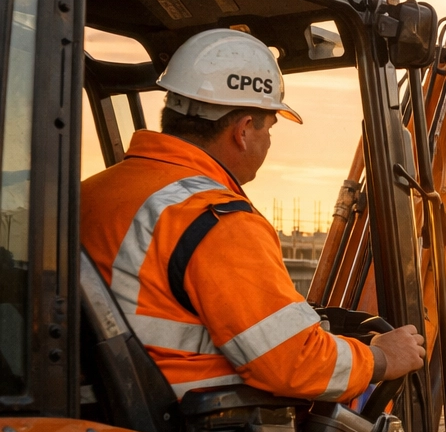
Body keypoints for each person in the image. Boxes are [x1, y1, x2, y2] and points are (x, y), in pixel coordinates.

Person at [81, 29, 424, 402]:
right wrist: (381, 358)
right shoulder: (217, 221)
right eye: (270, 128)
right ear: (244, 130)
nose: (269, 142)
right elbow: (295, 363)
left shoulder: (92, 193)